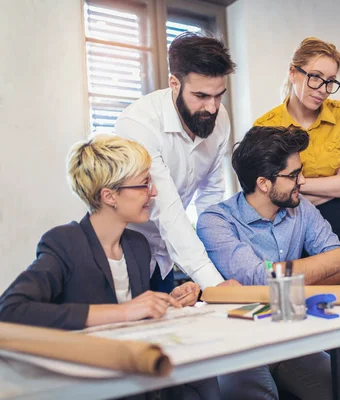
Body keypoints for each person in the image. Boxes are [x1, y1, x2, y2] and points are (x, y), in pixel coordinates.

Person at [0, 135, 217, 399]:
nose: (154, 192)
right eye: (144, 184)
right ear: (109, 196)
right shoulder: (64, 243)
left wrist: (166, 302)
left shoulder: (137, 245)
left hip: (136, 373)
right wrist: (123, 312)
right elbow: (10, 311)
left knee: (207, 382)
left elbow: (134, 310)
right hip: (91, 382)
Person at [197, 125, 340, 400]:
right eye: (294, 175)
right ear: (264, 183)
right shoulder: (216, 221)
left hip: (290, 339)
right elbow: (259, 277)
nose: (303, 182)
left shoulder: (301, 210)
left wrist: (325, 267)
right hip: (240, 344)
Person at [115, 32, 239, 293]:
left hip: (166, 260)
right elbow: (167, 209)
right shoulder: (139, 124)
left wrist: (223, 262)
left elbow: (211, 197)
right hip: (124, 255)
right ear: (174, 83)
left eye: (219, 95)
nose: (213, 108)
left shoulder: (219, 119)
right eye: (201, 96)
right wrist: (215, 286)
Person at [254, 37, 340, 246]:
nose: (323, 89)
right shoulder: (266, 126)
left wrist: (294, 185)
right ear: (293, 73)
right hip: (287, 230)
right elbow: (267, 194)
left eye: (331, 81)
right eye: (315, 77)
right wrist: (337, 181)